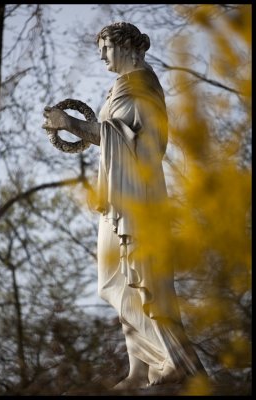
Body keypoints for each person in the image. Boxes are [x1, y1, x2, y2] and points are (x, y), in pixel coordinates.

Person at [42, 22, 207, 390]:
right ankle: (141, 367)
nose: (101, 55)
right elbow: (113, 135)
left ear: (128, 47)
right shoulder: (121, 88)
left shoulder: (144, 87)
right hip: (118, 198)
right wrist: (82, 129)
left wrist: (70, 123)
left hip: (138, 197)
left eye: (106, 47)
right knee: (116, 281)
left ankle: (174, 361)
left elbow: (139, 144)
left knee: (143, 277)